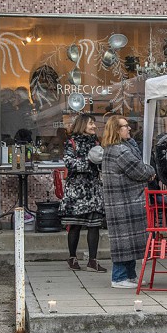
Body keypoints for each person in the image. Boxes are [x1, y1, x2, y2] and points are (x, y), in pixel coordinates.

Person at [101, 116, 156, 289]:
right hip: (124, 202)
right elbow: (139, 170)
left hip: (121, 201)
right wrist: (150, 171)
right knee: (124, 241)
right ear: (117, 130)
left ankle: (130, 275)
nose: (129, 129)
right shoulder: (120, 151)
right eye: (125, 126)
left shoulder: (113, 149)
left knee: (128, 241)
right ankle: (119, 277)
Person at [60, 114, 106, 273]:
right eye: (91, 123)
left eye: (94, 123)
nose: (94, 126)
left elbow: (101, 165)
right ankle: (72, 257)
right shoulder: (70, 142)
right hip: (76, 191)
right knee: (75, 225)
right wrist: (90, 161)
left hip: (93, 189)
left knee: (94, 226)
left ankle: (93, 261)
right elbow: (69, 163)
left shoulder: (96, 142)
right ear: (82, 125)